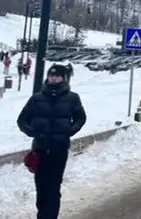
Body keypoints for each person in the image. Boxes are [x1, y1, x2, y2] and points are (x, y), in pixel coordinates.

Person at [17, 64, 87, 219]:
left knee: (53, 187)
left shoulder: (72, 98)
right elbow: (22, 120)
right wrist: (32, 131)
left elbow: (80, 118)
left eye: (57, 76)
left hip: (59, 149)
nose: (53, 78)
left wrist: (69, 130)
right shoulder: (37, 98)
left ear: (63, 78)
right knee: (41, 187)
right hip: (40, 149)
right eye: (51, 75)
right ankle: (42, 215)